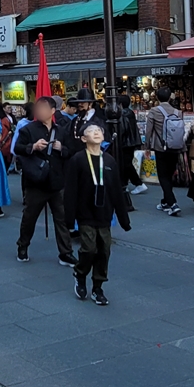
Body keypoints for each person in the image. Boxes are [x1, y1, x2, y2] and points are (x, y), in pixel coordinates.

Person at [65, 124, 131, 306]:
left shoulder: (109, 161)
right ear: (83, 139)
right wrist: (69, 219)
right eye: (90, 132)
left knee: (104, 250)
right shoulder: (77, 160)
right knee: (89, 248)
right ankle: (80, 273)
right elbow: (70, 190)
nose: (96, 133)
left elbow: (117, 190)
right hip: (85, 212)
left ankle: (98, 286)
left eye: (99, 131)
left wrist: (123, 218)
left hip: (104, 213)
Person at [14, 96, 77, 266]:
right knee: (30, 217)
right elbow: (17, 148)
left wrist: (60, 148)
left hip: (57, 181)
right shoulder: (28, 130)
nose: (39, 111)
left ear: (52, 111)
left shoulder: (62, 130)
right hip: (36, 181)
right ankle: (23, 245)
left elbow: (71, 151)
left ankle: (66, 252)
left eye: (43, 108)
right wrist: (32, 147)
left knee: (61, 219)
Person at [144, 87, 184, 216]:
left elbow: (148, 131)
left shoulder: (154, 111)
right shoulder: (178, 112)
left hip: (160, 147)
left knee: (163, 175)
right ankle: (166, 201)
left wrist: (147, 147)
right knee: (170, 173)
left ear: (157, 97)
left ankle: (172, 203)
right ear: (169, 97)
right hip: (175, 146)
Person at [62, 88, 108, 161]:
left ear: (90, 103)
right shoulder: (75, 120)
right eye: (79, 102)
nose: (80, 104)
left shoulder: (99, 119)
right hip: (76, 158)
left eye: (83, 102)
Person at [118, 95, 147, 196]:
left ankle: (138, 183)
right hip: (132, 142)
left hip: (126, 142)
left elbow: (122, 129)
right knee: (126, 164)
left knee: (126, 164)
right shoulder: (130, 113)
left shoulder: (122, 114)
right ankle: (124, 185)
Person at [0, 102, 14, 169]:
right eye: (8, 108)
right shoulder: (5, 119)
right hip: (7, 140)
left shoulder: (3, 119)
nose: (10, 109)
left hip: (4, 141)